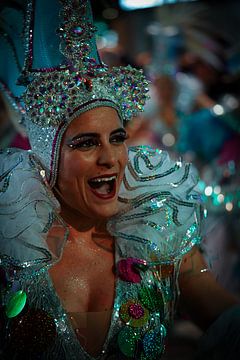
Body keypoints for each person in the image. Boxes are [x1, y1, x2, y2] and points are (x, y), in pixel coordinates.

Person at [0, 1, 238, 359]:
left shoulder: (152, 228)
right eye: (85, 143)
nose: (110, 158)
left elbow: (224, 317)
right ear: (49, 157)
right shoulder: (11, 241)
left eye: (117, 138)